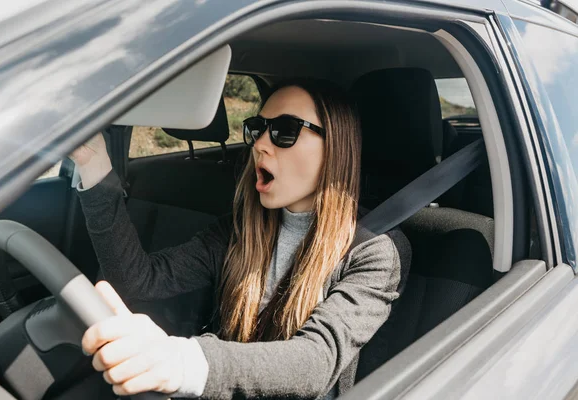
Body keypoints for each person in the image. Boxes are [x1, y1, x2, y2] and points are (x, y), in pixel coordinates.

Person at [72, 79, 411, 399]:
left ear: (336, 146)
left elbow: (316, 360)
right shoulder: (238, 232)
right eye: (257, 129)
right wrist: (94, 164)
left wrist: (180, 360)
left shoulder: (375, 250)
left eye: (285, 130)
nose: (260, 144)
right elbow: (136, 280)